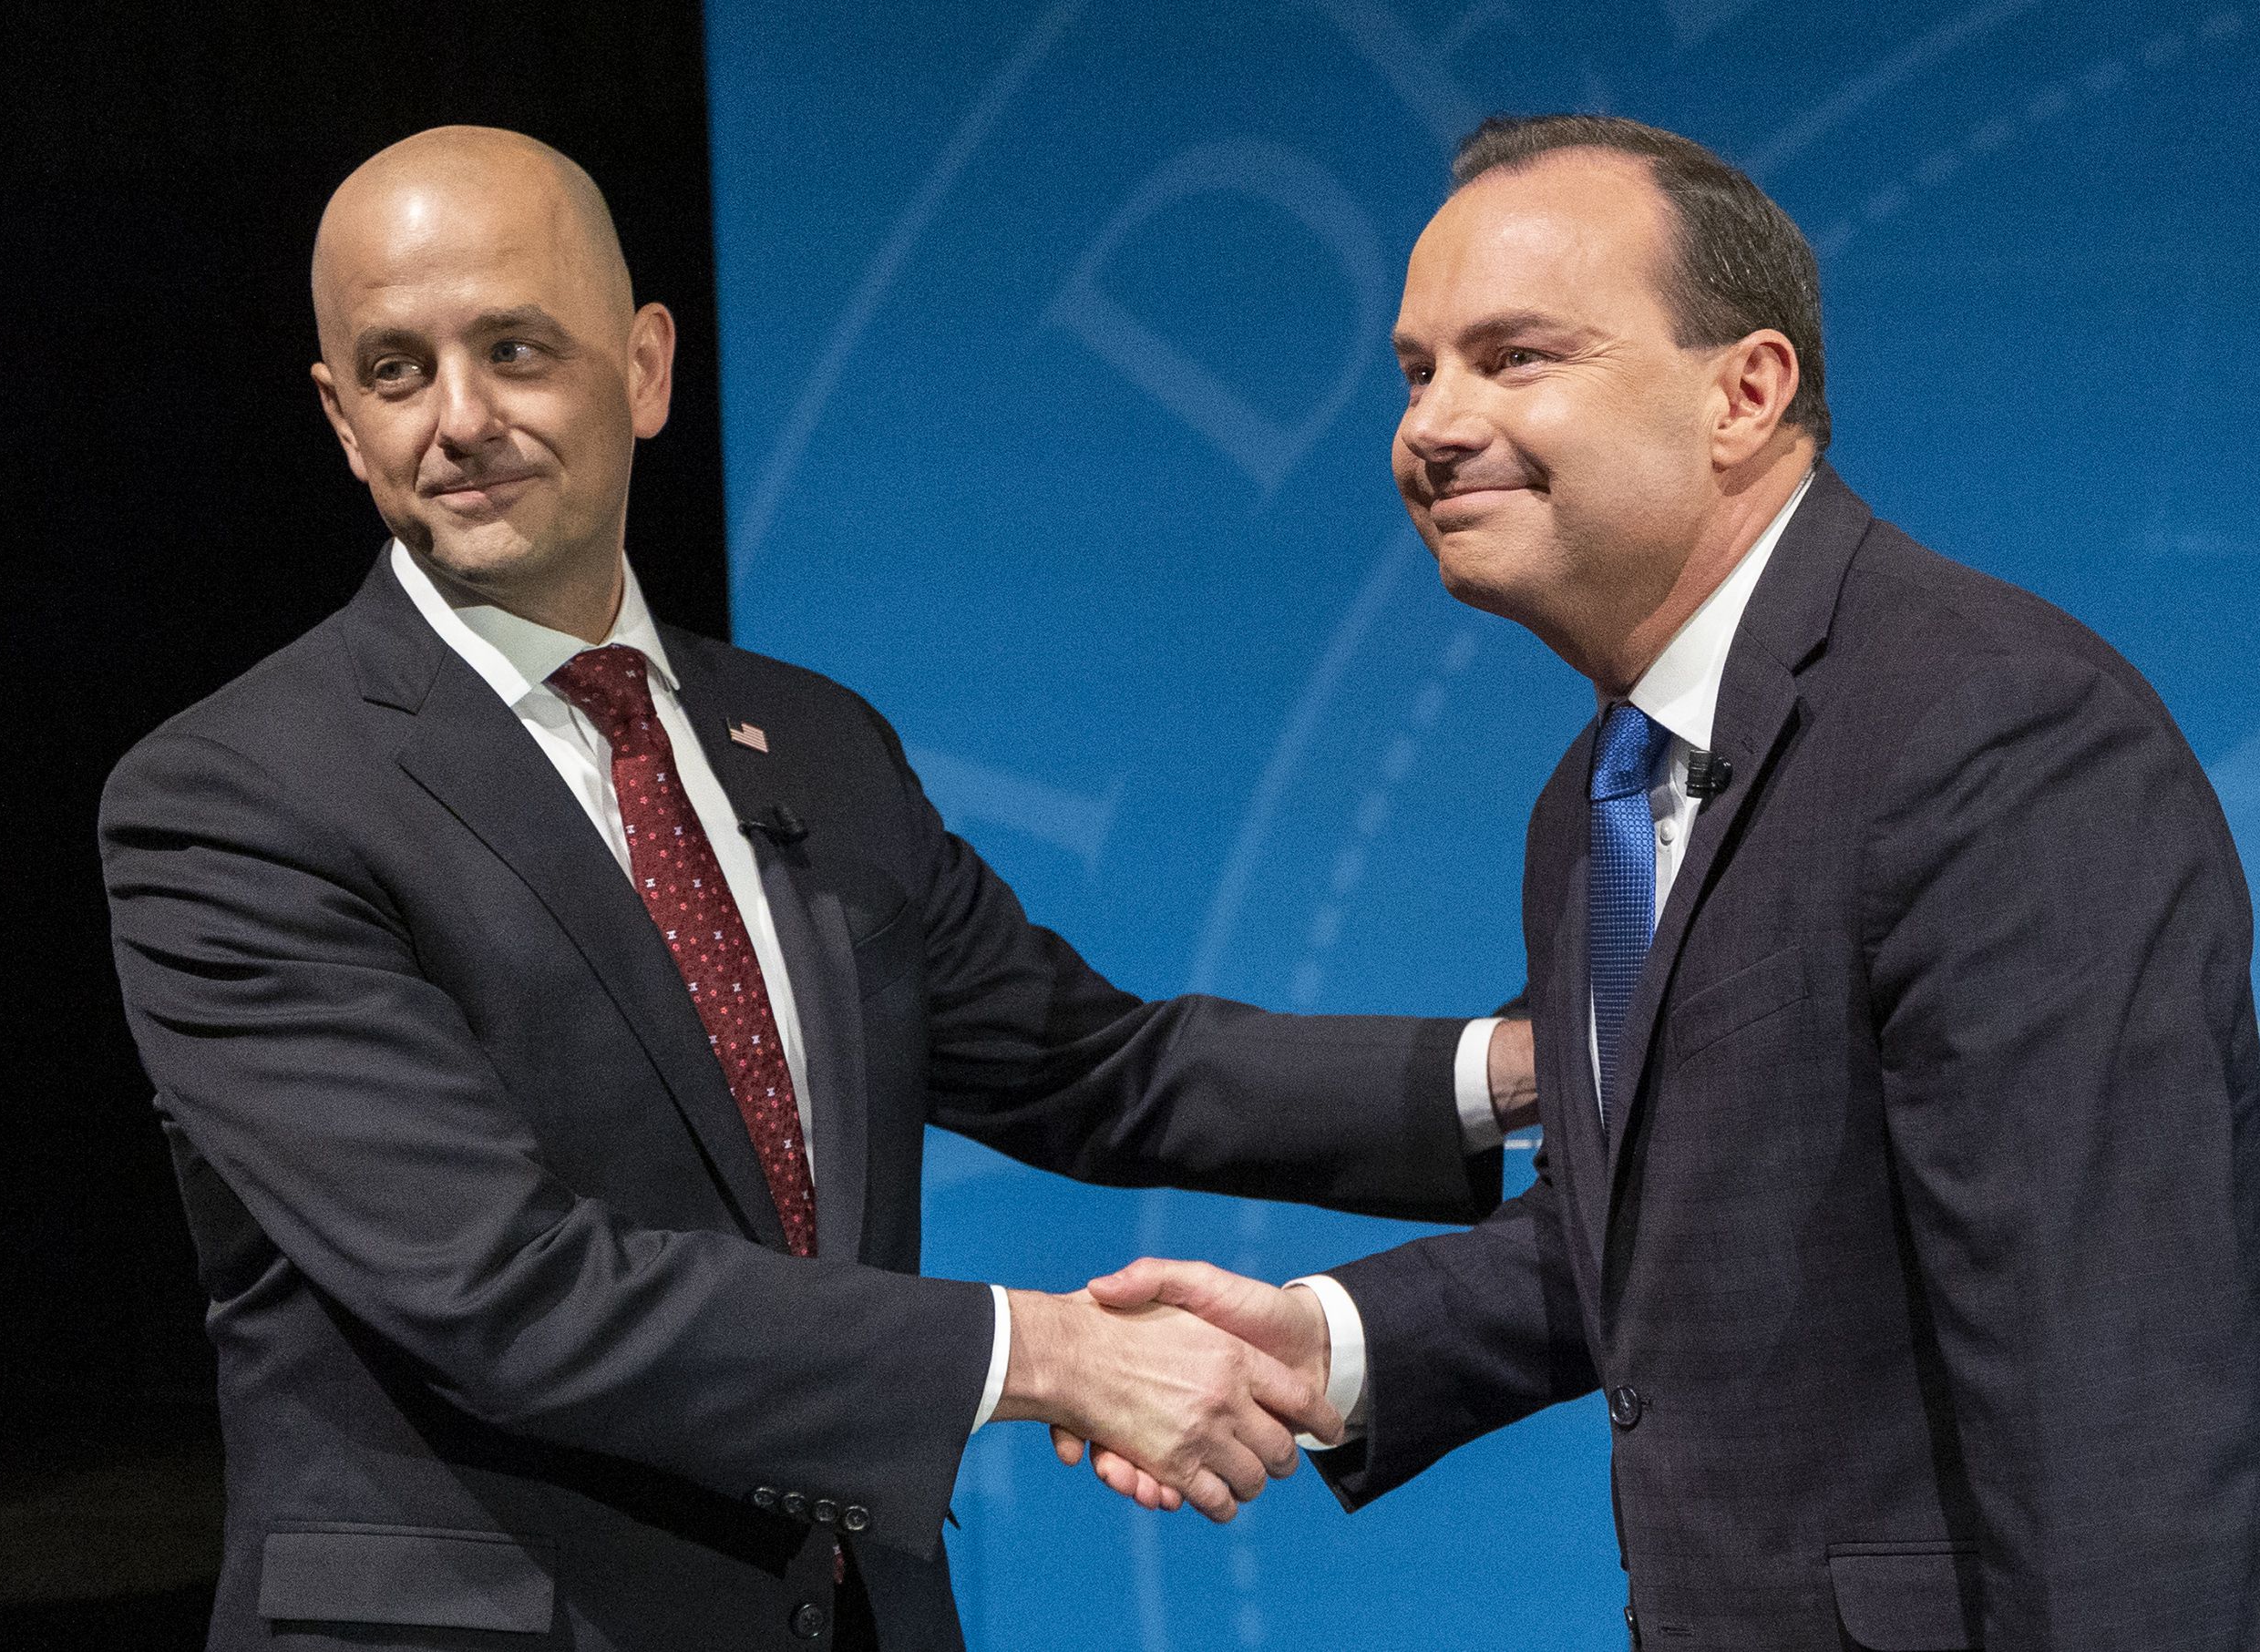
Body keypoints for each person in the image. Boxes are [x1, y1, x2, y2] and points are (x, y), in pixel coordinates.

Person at [98, 126, 1534, 1652]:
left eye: (515, 349)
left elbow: (1092, 1063)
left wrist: (1526, 1069)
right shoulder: (235, 801)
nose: (459, 419)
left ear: (644, 369)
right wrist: (1039, 1351)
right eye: (397, 371)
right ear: (339, 417)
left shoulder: (814, 743)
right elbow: (507, 1288)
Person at [1082, 115, 2260, 1651]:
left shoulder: (1990, 732)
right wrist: (1328, 1345)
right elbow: (1668, 1230)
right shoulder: (1595, 795)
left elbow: (2116, 1395)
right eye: (1419, 370)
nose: (1433, 425)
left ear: (1744, 393)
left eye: (1517, 356)